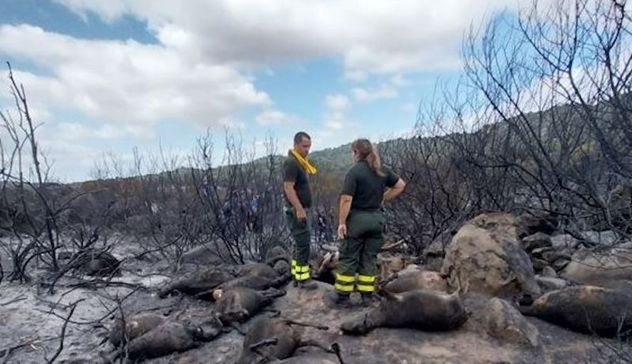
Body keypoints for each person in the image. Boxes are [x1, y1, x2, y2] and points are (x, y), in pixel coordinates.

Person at [330, 138, 406, 307]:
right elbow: (400, 185)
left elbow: (346, 199)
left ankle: (342, 297)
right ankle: (367, 296)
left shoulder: (354, 172)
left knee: (349, 258)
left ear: (356, 153)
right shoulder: (381, 170)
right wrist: (382, 199)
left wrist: (342, 222)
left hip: (357, 221)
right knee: (369, 259)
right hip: (376, 221)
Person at [283, 131, 318, 289]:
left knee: (299, 245)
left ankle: (297, 276)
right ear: (296, 145)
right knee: (303, 244)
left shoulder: (301, 163)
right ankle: (304, 280)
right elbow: (288, 188)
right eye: (304, 146)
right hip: (297, 210)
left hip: (302, 208)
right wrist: (299, 208)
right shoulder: (292, 163)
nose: (307, 150)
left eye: (309, 147)